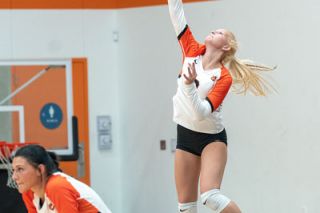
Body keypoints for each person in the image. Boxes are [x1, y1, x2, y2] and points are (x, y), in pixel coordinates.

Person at [168, 0, 275, 212]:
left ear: (225, 46)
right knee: (185, 206)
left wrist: (189, 85)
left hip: (211, 139)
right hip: (184, 134)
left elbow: (201, 113)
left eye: (219, 33)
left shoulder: (223, 78)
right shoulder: (191, 49)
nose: (213, 31)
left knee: (210, 196)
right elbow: (176, 11)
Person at [11, 144, 112, 213]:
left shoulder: (56, 186)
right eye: (14, 170)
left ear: (40, 169)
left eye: (20, 169)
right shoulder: (29, 192)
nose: (14, 177)